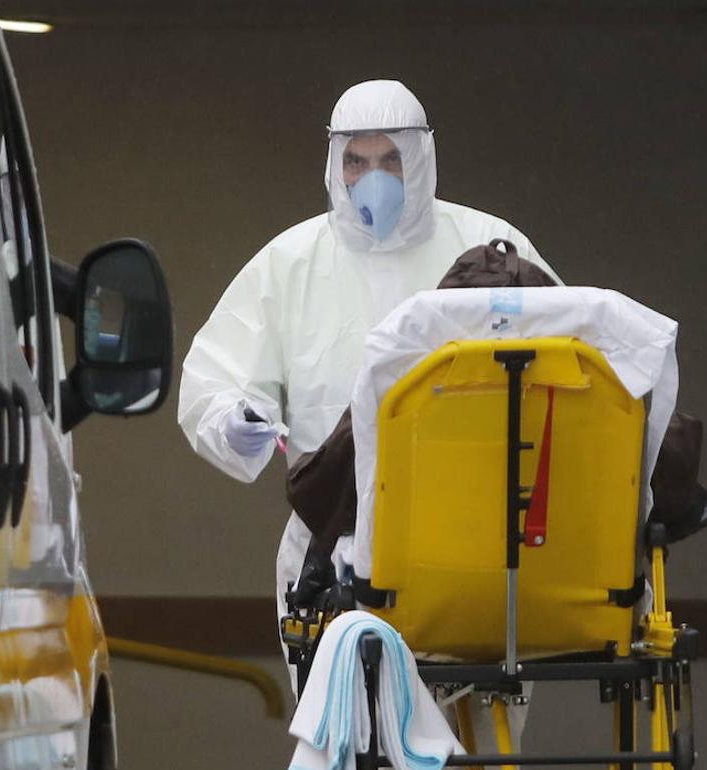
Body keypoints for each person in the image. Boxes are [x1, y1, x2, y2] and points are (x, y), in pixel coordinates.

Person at [177, 78, 560, 628]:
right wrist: (234, 422)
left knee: (468, 713)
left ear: (422, 157)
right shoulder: (292, 261)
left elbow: (565, 363)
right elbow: (215, 377)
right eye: (355, 160)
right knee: (337, 712)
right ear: (335, 162)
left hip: (469, 545)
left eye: (391, 159)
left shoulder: (487, 246)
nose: (372, 178)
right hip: (330, 546)